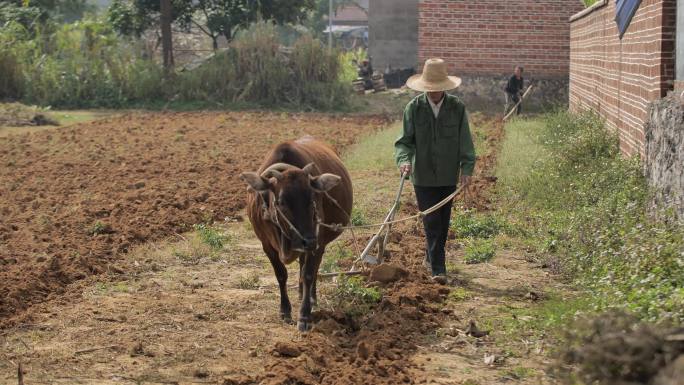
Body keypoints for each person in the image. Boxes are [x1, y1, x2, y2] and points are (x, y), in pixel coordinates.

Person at [395, 58, 476, 284]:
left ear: (444, 87)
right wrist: (403, 161)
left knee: (443, 222)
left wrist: (467, 168)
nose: (434, 92)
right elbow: (404, 142)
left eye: (437, 88)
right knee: (431, 221)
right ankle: (438, 270)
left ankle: (430, 256)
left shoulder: (457, 108)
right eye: (430, 88)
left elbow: (465, 141)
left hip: (448, 175)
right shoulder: (414, 108)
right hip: (423, 177)